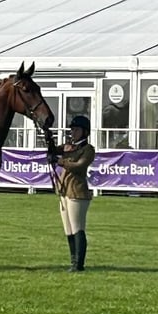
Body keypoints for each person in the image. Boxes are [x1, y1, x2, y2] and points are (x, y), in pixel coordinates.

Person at [50, 115, 96, 272]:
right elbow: (53, 150)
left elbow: (79, 166)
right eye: (72, 129)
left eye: (76, 130)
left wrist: (61, 161)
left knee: (77, 227)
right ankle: (73, 261)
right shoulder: (69, 147)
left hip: (77, 191)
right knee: (68, 229)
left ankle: (79, 264)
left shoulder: (87, 149)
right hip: (64, 190)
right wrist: (48, 138)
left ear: (84, 132)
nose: (73, 132)